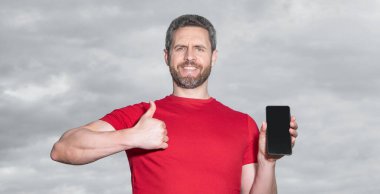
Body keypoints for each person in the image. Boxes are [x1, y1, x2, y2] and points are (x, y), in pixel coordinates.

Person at [51, 14, 298, 194]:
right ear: (167, 56)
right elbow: (63, 149)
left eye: (199, 48)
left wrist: (267, 162)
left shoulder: (243, 123)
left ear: (213, 57)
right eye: (181, 48)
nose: (190, 56)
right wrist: (132, 137)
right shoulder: (143, 115)